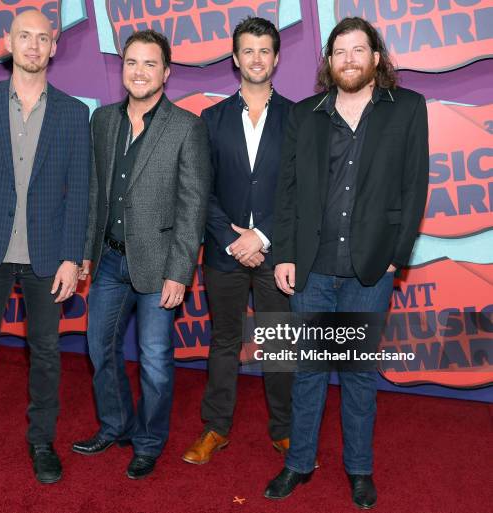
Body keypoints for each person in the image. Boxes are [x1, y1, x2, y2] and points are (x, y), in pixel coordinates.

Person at [267, 16, 428, 509]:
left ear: (376, 58)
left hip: (369, 269)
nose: (350, 60)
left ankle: (359, 469)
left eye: (359, 50)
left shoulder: (407, 109)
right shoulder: (306, 114)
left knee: (358, 374)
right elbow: (288, 192)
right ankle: (299, 464)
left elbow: (413, 186)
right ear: (329, 62)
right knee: (310, 369)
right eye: (340, 52)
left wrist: (393, 259)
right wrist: (285, 254)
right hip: (312, 268)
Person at [0, 10, 90, 484]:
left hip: (47, 255)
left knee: (46, 351)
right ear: (9, 42)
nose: (32, 46)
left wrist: (72, 256)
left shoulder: (73, 112)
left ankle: (41, 439)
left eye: (41, 38)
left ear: (54, 46)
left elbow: (80, 191)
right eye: (24, 37)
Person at [72, 30, 211, 479]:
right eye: (132, 62)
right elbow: (96, 192)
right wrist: (87, 252)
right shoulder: (103, 121)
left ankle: (149, 441)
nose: (139, 71)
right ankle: (116, 424)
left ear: (166, 73)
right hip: (109, 260)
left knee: (154, 360)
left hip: (159, 264)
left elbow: (193, 207)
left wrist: (180, 273)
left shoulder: (186, 127)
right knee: (100, 348)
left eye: (150, 64)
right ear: (122, 67)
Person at [182, 17, 294, 465]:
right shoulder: (210, 119)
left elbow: (298, 189)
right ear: (235, 59)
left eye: (264, 50)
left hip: (277, 252)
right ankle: (215, 428)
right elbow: (199, 189)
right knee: (224, 341)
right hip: (225, 253)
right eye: (248, 50)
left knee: (281, 342)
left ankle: (286, 431)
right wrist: (233, 240)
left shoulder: (298, 117)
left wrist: (261, 236)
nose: (256, 58)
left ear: (277, 58)